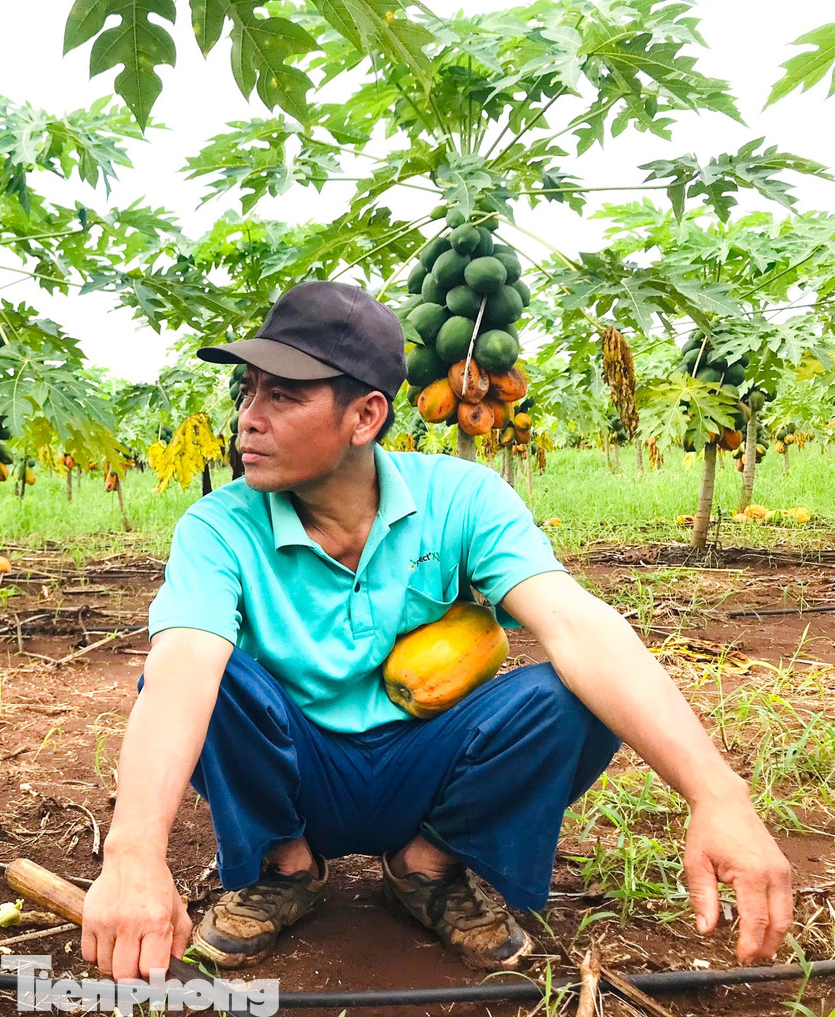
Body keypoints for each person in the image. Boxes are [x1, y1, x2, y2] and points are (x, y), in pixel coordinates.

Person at [80, 279, 792, 979]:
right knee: (213, 678)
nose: (249, 418)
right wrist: (133, 853)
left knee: (575, 693)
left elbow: (577, 625)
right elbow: (182, 668)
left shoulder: (462, 496)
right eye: (249, 391)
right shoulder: (217, 526)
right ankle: (284, 864)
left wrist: (717, 793)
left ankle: (430, 864)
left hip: (424, 763)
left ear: (365, 416)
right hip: (301, 769)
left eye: (284, 395)